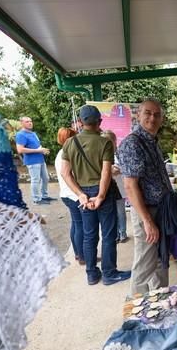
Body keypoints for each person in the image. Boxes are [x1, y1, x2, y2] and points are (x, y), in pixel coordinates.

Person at [60, 105, 131, 286]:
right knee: (108, 235)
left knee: (89, 235)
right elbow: (106, 173)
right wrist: (99, 196)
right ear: (99, 121)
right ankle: (109, 273)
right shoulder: (104, 142)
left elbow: (65, 173)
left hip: (83, 193)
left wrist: (81, 195)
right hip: (102, 192)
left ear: (81, 123)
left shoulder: (70, 143)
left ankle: (91, 274)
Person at [117, 98, 174, 295]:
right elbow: (130, 186)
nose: (152, 118)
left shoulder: (152, 141)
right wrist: (147, 221)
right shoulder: (133, 143)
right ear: (138, 114)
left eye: (157, 114)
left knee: (160, 261)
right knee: (144, 265)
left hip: (160, 210)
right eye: (148, 113)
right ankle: (136, 316)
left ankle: (160, 303)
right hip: (147, 211)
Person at [55, 127, 85, 265]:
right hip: (74, 195)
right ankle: (82, 256)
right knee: (80, 226)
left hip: (65, 194)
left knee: (75, 224)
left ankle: (78, 254)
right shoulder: (68, 153)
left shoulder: (60, 153)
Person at [15, 116, 54, 205]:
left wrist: (43, 150)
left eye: (31, 121)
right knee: (35, 180)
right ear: (21, 123)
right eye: (27, 121)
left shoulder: (33, 133)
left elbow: (37, 146)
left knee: (46, 178)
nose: (30, 123)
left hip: (40, 159)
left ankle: (44, 196)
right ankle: (36, 199)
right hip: (32, 161)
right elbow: (20, 150)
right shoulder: (20, 134)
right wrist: (38, 150)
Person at [102, 130, 128, 243]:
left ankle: (122, 233)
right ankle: (116, 234)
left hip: (119, 188)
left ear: (114, 141)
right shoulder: (102, 154)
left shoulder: (119, 154)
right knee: (112, 213)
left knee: (120, 212)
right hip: (107, 189)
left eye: (109, 141)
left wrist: (114, 169)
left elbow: (119, 170)